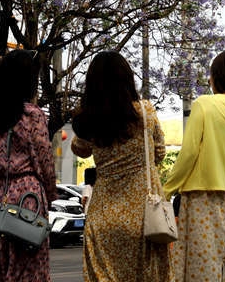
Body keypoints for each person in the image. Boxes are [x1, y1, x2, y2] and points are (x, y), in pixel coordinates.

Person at [71, 51, 171, 282]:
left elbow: (79, 148)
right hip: (144, 217)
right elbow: (159, 153)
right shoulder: (145, 112)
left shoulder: (89, 118)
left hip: (103, 217)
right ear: (127, 78)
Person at [164, 49, 225, 282]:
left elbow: (188, 154)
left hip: (200, 198)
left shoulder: (204, 105)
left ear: (218, 77)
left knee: (201, 265)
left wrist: (166, 190)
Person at [0, 49, 58, 282]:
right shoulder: (31, 115)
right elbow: (44, 161)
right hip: (27, 199)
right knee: (27, 271)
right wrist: (49, 196)